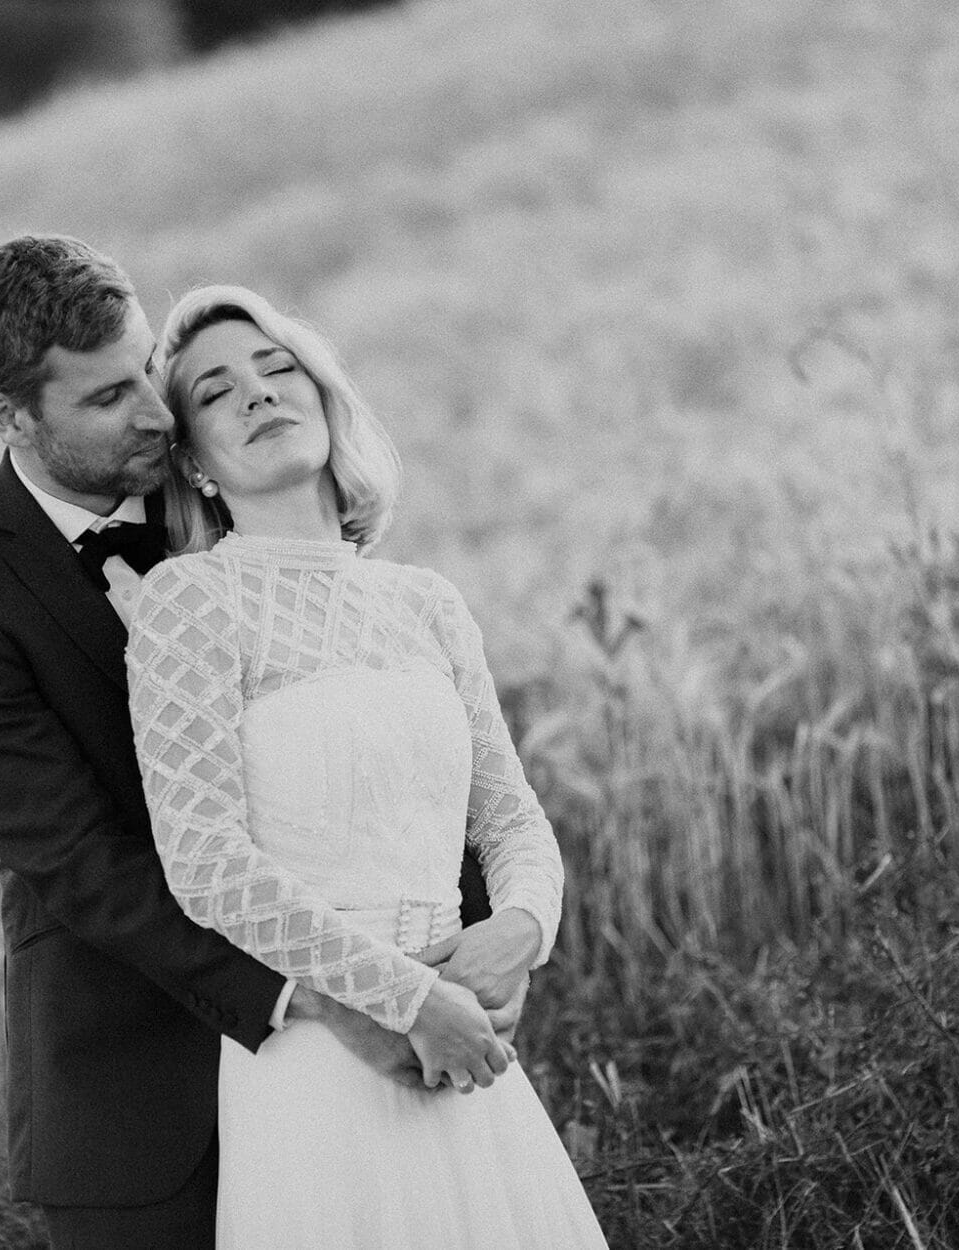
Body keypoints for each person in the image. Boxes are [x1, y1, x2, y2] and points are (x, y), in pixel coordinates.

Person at [0, 236, 505, 1250]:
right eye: (105, 397)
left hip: (392, 1035)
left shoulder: (234, 483)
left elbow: (388, 733)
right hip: (143, 1086)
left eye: (146, 369)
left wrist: (458, 959)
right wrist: (321, 997)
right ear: (9, 418)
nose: (156, 411)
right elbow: (75, 857)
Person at [126, 284, 611, 1248]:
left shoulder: (424, 602)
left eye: (277, 369)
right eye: (219, 392)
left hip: (470, 1047)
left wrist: (518, 929)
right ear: (194, 460)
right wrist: (404, 996)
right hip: (320, 1063)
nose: (259, 395)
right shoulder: (188, 604)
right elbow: (206, 865)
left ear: (326, 397)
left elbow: (509, 816)